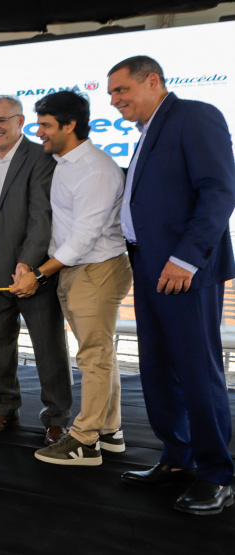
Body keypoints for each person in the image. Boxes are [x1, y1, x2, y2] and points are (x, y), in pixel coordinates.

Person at [107, 55, 235, 514]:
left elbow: (219, 191)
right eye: (112, 94)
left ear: (153, 80)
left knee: (198, 373)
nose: (114, 101)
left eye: (121, 90)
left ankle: (217, 475)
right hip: (149, 268)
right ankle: (178, 459)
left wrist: (185, 259)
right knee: (159, 370)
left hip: (184, 272)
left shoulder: (194, 117)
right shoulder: (148, 132)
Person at [9, 91, 131, 466]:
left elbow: (82, 238)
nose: (39, 132)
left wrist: (38, 274)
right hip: (78, 270)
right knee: (99, 355)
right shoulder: (65, 163)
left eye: (46, 125)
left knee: (93, 358)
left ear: (70, 125)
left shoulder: (95, 170)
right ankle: (109, 431)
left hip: (96, 270)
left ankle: (84, 441)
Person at [0, 96, 72, 445]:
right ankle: (5, 407)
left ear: (20, 121)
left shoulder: (40, 156)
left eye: (1, 120)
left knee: (48, 346)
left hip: (32, 271)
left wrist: (28, 265)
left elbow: (41, 217)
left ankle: (57, 419)